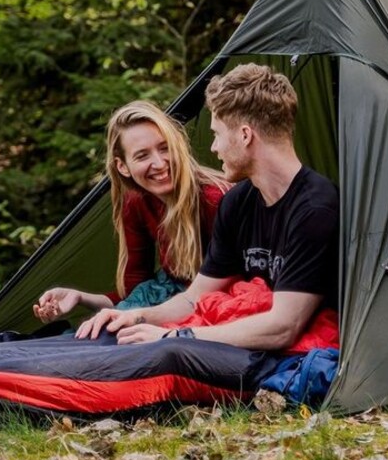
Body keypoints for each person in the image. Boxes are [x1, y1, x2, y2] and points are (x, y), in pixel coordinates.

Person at [76, 63, 339, 350]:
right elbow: (194, 298)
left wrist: (174, 336)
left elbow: (282, 328)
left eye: (216, 134)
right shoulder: (238, 202)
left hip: (281, 343)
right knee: (117, 342)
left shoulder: (314, 208)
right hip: (238, 325)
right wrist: (136, 315)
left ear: (245, 135)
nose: (213, 148)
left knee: (150, 356)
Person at [32, 101, 228, 324]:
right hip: (171, 296)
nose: (159, 163)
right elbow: (137, 292)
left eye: (165, 148)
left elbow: (235, 286)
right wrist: (79, 297)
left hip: (217, 303)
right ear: (122, 166)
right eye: (142, 155)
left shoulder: (214, 200)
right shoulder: (136, 202)